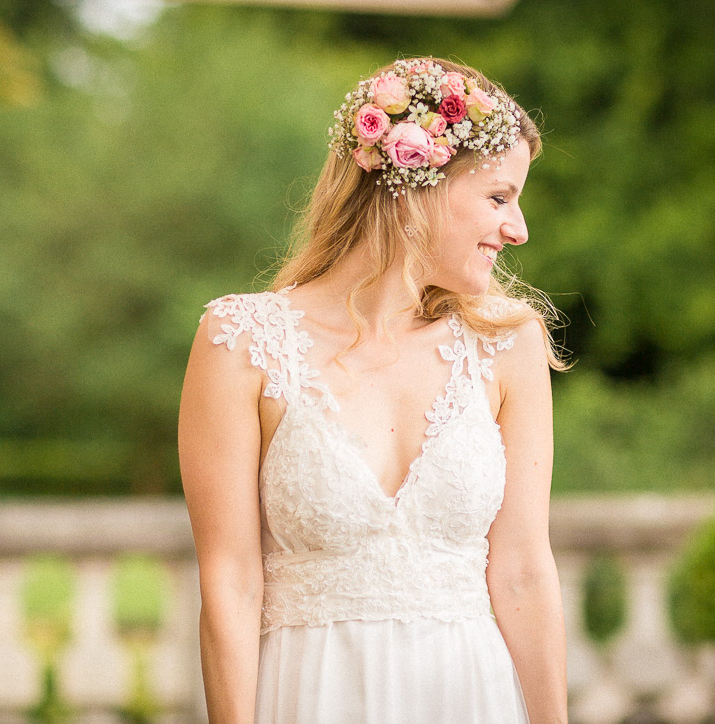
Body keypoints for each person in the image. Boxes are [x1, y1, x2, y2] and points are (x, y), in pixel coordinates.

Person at [178, 56, 568, 724]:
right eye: (500, 197)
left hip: (470, 698)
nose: (518, 228)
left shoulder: (511, 345)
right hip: (310, 696)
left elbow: (524, 572)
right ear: (418, 185)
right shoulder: (240, 341)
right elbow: (231, 583)